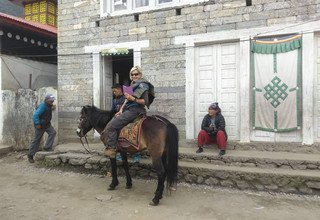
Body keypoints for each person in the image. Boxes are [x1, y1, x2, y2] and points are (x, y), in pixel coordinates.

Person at [104, 66, 154, 158]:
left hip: (135, 110)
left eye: (136, 74)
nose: (134, 76)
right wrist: (121, 110)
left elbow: (145, 101)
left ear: (140, 74)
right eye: (132, 74)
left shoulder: (143, 85)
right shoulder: (133, 84)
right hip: (128, 108)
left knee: (111, 127)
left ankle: (111, 149)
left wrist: (133, 99)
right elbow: (126, 100)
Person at [111, 83, 141, 163]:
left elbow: (133, 107)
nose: (114, 93)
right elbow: (113, 111)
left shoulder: (127, 96)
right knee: (117, 135)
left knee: (133, 134)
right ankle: (120, 153)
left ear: (120, 89)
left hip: (130, 118)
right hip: (120, 120)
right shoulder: (114, 101)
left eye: (115, 91)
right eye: (113, 92)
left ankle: (136, 154)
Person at [27, 94, 57, 163]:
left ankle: (47, 148)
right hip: (40, 125)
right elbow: (35, 115)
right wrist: (37, 124)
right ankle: (30, 156)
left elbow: (48, 110)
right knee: (37, 139)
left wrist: (52, 107)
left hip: (47, 124)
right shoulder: (42, 106)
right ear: (46, 100)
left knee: (52, 132)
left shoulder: (48, 105)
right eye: (50, 101)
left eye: (52, 101)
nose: (52, 102)